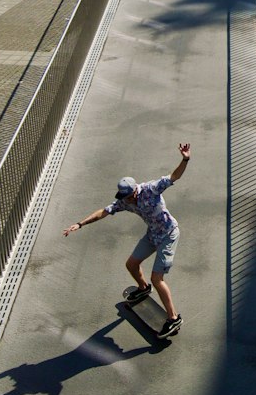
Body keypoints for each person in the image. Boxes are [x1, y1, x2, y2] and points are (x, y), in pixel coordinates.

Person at [63, 143, 191, 338]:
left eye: (127, 197)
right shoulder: (124, 200)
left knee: (157, 278)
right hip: (152, 234)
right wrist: (80, 224)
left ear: (134, 191)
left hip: (168, 234)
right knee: (131, 264)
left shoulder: (151, 189)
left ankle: (173, 318)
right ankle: (142, 288)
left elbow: (174, 176)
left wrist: (185, 159)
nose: (125, 201)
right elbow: (104, 212)